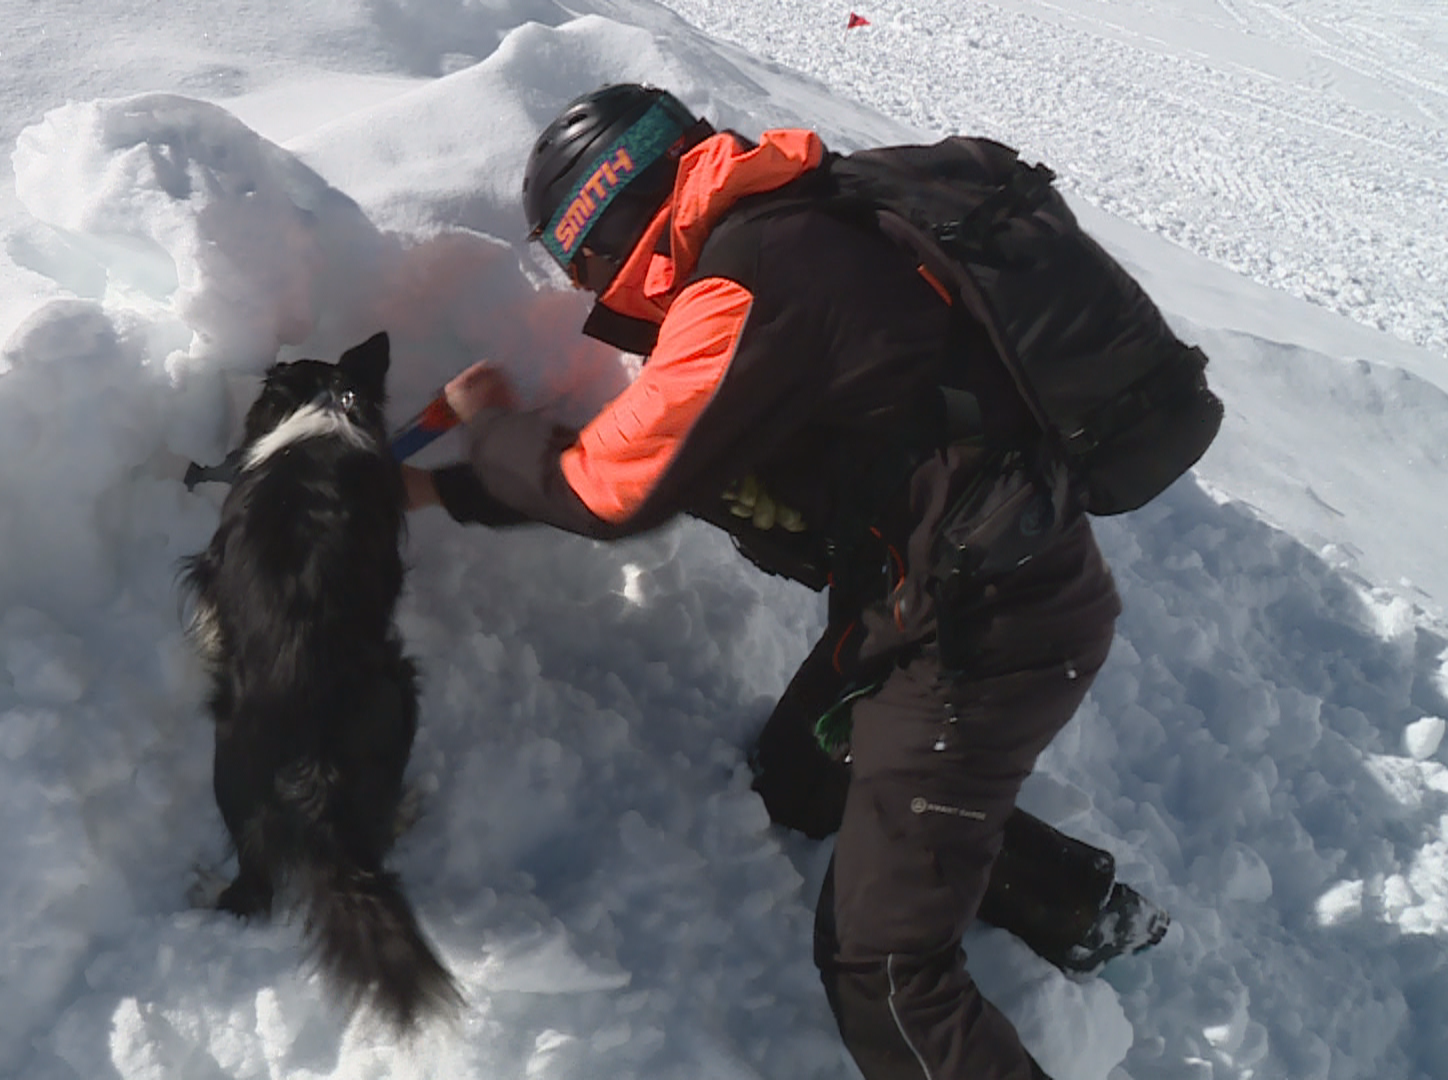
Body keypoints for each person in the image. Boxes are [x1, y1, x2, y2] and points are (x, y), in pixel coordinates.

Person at [402, 84, 1159, 1079]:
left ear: (607, 221)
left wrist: (490, 428)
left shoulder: (745, 283)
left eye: (571, 256)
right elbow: (678, 460)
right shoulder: (794, 227)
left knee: (880, 965)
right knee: (806, 774)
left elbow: (607, 491)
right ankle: (1085, 911)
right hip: (947, 591)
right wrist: (450, 491)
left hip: (977, 638)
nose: (582, 285)